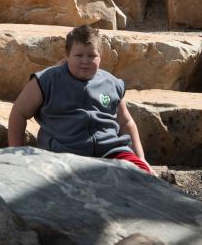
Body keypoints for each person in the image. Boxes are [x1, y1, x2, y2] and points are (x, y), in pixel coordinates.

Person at [8, 24, 155, 174]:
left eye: (92, 56)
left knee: (145, 175)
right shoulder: (46, 81)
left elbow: (125, 122)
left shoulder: (111, 83)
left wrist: (140, 158)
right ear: (67, 55)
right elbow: (19, 113)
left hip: (110, 151)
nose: (85, 61)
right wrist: (17, 155)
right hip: (63, 155)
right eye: (79, 55)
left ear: (100, 57)